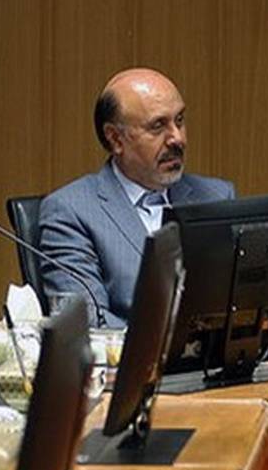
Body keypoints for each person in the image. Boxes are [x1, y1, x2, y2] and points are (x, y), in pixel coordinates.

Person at [39, 67, 234, 327]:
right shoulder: (71, 211)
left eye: (179, 120)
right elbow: (88, 321)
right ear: (115, 139)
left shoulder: (216, 196)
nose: (177, 139)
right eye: (158, 126)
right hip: (128, 352)